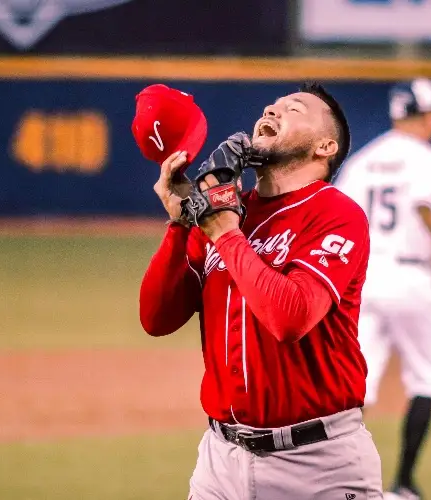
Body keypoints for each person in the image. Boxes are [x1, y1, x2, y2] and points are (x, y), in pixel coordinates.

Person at [139, 83, 384, 499]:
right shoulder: (228, 211)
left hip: (318, 463)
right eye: (271, 105)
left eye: (294, 108)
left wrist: (227, 235)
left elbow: (290, 318)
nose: (272, 109)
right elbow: (156, 319)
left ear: (325, 146)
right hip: (220, 461)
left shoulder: (335, 213)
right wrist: (181, 225)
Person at [334, 78, 431, 500]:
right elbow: (424, 203)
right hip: (411, 276)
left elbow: (340, 215)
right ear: (425, 116)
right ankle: (404, 483)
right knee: (425, 377)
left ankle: (340, 483)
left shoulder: (364, 160)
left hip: (363, 280)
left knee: (356, 389)